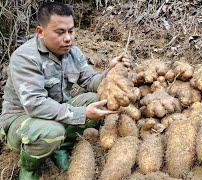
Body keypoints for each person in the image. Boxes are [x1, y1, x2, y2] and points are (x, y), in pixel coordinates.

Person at [0, 2, 130, 180]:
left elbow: (91, 80)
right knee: (52, 131)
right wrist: (82, 113)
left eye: (71, 31)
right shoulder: (25, 58)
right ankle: (29, 168)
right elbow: (35, 105)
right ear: (40, 32)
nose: (68, 38)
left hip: (56, 113)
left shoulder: (73, 53)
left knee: (96, 98)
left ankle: (61, 146)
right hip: (21, 121)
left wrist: (111, 71)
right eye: (60, 32)